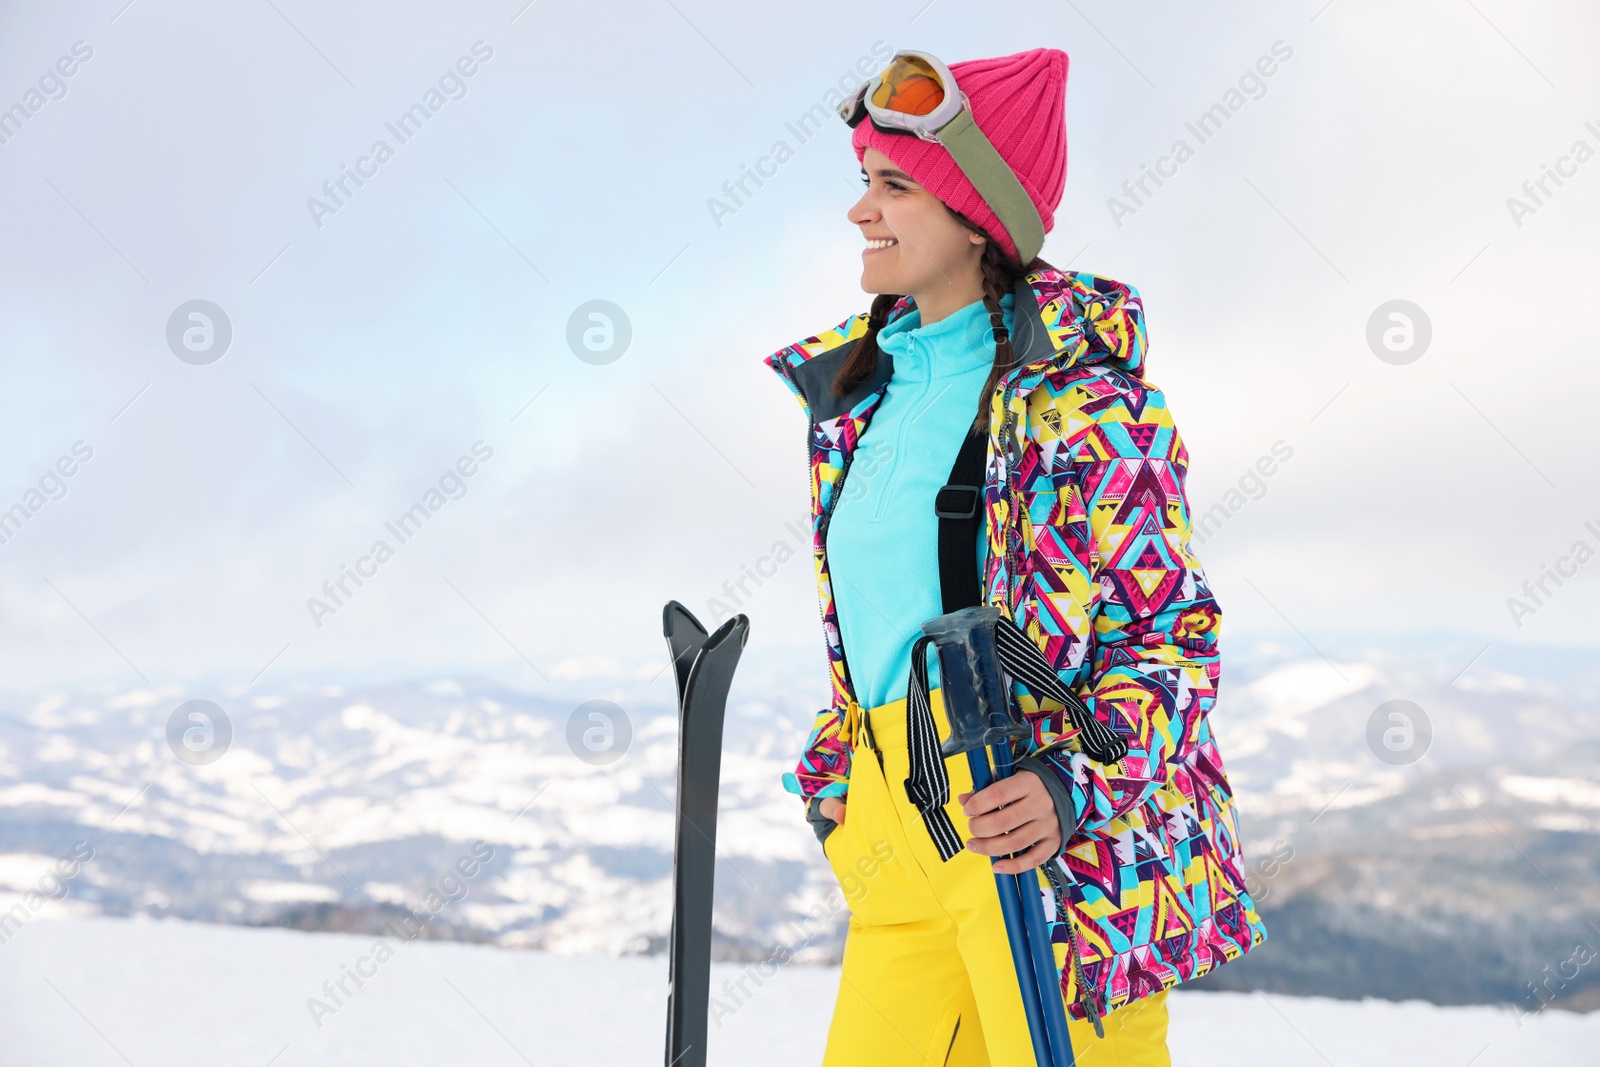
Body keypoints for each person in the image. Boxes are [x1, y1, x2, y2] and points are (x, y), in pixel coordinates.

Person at [763, 47, 1268, 1066]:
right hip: (896, 842)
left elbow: (1171, 640)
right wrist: (839, 779)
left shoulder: (1088, 407)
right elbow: (875, 619)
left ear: (977, 218)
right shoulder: (859, 397)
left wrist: (1068, 784)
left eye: (894, 186)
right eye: (865, 181)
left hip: (1041, 849)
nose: (861, 213)